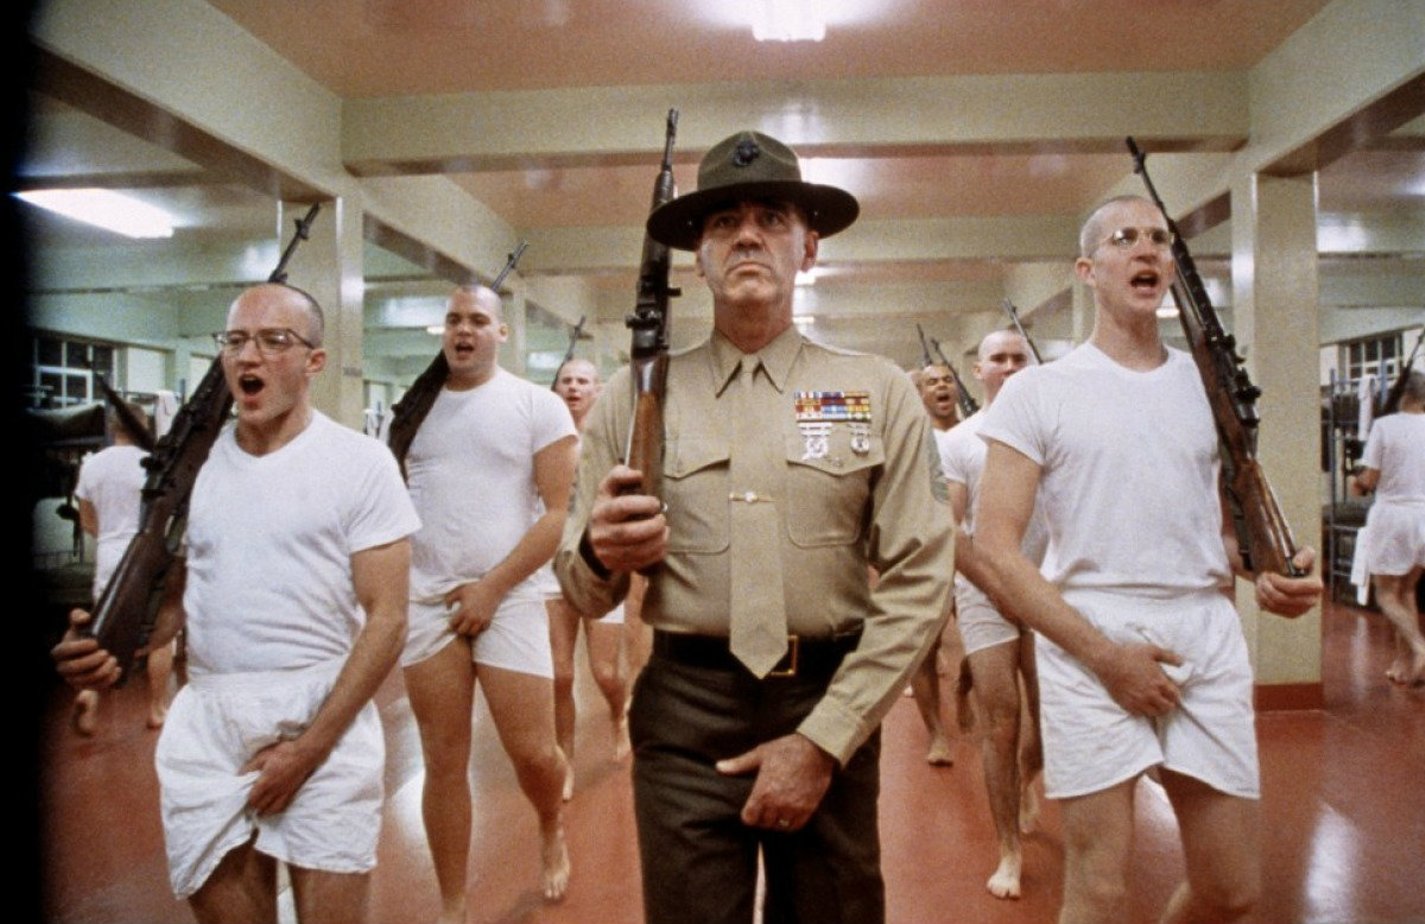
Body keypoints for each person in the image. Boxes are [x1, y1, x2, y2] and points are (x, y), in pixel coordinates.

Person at [555, 129, 953, 924]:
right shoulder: (635, 399)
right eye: (723, 222)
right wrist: (602, 553)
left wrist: (826, 737)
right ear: (696, 257)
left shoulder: (872, 391)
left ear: (808, 248)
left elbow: (921, 575)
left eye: (772, 218)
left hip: (829, 696)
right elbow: (581, 588)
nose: (747, 236)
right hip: (685, 714)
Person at [972, 195, 1323, 924]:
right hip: (1090, 637)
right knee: (1099, 889)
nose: (1146, 250)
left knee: (1231, 889)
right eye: (1123, 238)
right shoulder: (1038, 392)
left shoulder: (1209, 388)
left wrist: (1272, 572)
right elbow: (995, 548)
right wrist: (1105, 657)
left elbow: (1223, 534)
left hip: (1203, 632)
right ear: (1087, 270)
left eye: (1159, 240)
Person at [52, 283, 419, 924]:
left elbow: (387, 620)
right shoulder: (190, 472)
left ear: (314, 361)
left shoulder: (361, 464)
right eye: (236, 341)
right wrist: (110, 647)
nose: (250, 356)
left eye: (275, 341)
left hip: (323, 715)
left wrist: (307, 750)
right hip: (210, 720)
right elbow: (174, 609)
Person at [396, 284, 579, 917]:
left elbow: (559, 513)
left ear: (502, 332)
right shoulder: (415, 410)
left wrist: (493, 587)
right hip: (429, 602)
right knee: (443, 762)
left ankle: (550, 824)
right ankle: (453, 904)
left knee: (534, 753)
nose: (463, 330)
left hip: (510, 597)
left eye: (478, 320)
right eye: (453, 320)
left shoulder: (536, 405)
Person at [938, 329, 1045, 899]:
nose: (1009, 366)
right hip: (984, 589)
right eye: (997, 359)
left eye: (1018, 357)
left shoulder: (1055, 432)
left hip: (1049, 589)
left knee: (1046, 725)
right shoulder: (959, 441)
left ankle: (1027, 777)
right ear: (978, 371)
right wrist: (997, 590)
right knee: (1001, 723)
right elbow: (952, 527)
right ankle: (1009, 849)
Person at [544, 357, 633, 800]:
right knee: (560, 675)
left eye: (583, 381)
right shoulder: (543, 441)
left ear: (598, 390)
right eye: (567, 380)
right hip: (550, 569)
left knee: (603, 671)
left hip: (598, 564)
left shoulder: (612, 439)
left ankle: (619, 714)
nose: (574, 388)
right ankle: (565, 760)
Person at [70, 400, 174, 735]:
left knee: (103, 634)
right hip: (145, 556)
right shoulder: (153, 463)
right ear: (143, 426)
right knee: (160, 635)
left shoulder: (92, 466)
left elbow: (87, 521)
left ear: (113, 428)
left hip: (108, 554)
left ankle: (89, 695)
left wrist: (110, 537)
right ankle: (156, 709)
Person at [905, 362, 962, 766]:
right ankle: (937, 734)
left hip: (976, 552)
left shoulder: (977, 432)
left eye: (947, 380)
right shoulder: (913, 439)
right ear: (921, 393)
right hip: (930, 552)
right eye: (931, 382)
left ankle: (969, 687)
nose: (941, 386)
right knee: (924, 648)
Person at [1353, 369, 1425, 685]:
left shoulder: (1384, 426)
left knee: (1385, 594)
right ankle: (1403, 665)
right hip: (1423, 515)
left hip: (1393, 516)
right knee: (1406, 589)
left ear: (1403, 395)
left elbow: (1368, 480)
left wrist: (1357, 482)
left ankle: (1420, 648)